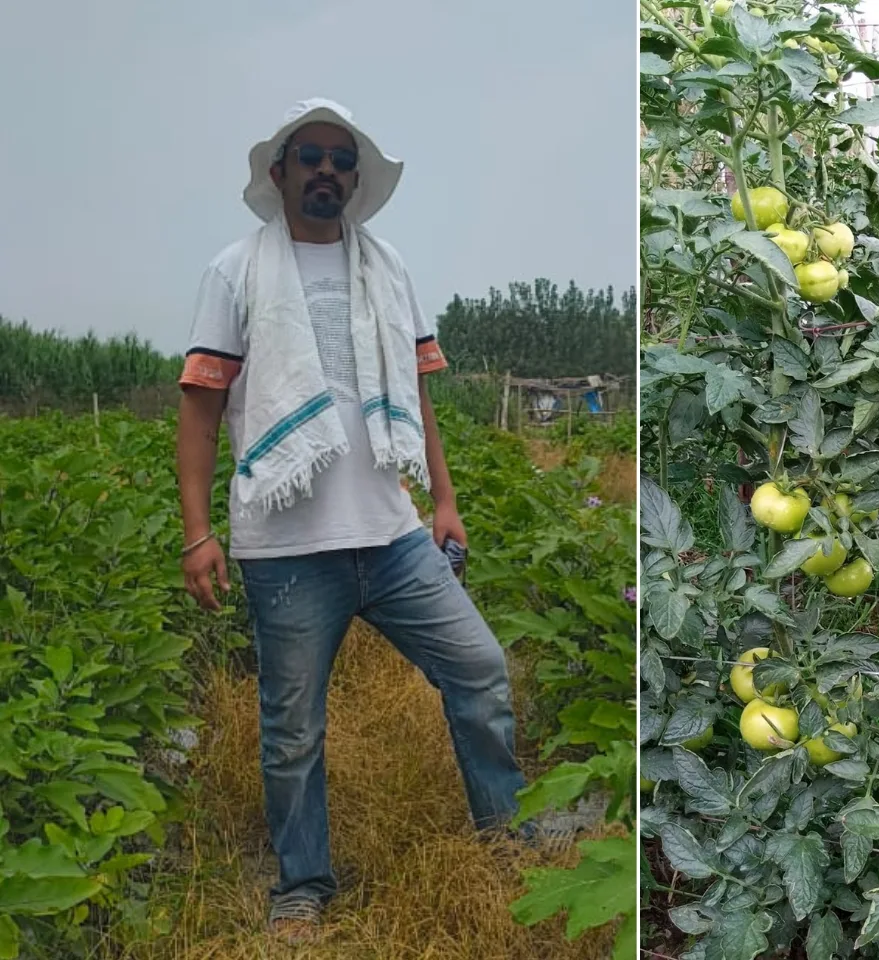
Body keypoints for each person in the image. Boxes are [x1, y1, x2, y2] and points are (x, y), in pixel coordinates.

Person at [175, 98, 530, 943]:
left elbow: (418, 396)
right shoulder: (236, 273)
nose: (326, 170)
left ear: (356, 179)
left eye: (341, 159)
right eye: (311, 157)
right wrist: (198, 532)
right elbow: (198, 406)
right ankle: (303, 884)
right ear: (280, 173)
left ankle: (506, 839)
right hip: (288, 550)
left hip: (394, 535)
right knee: (292, 728)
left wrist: (442, 500)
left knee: (480, 670)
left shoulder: (387, 270)